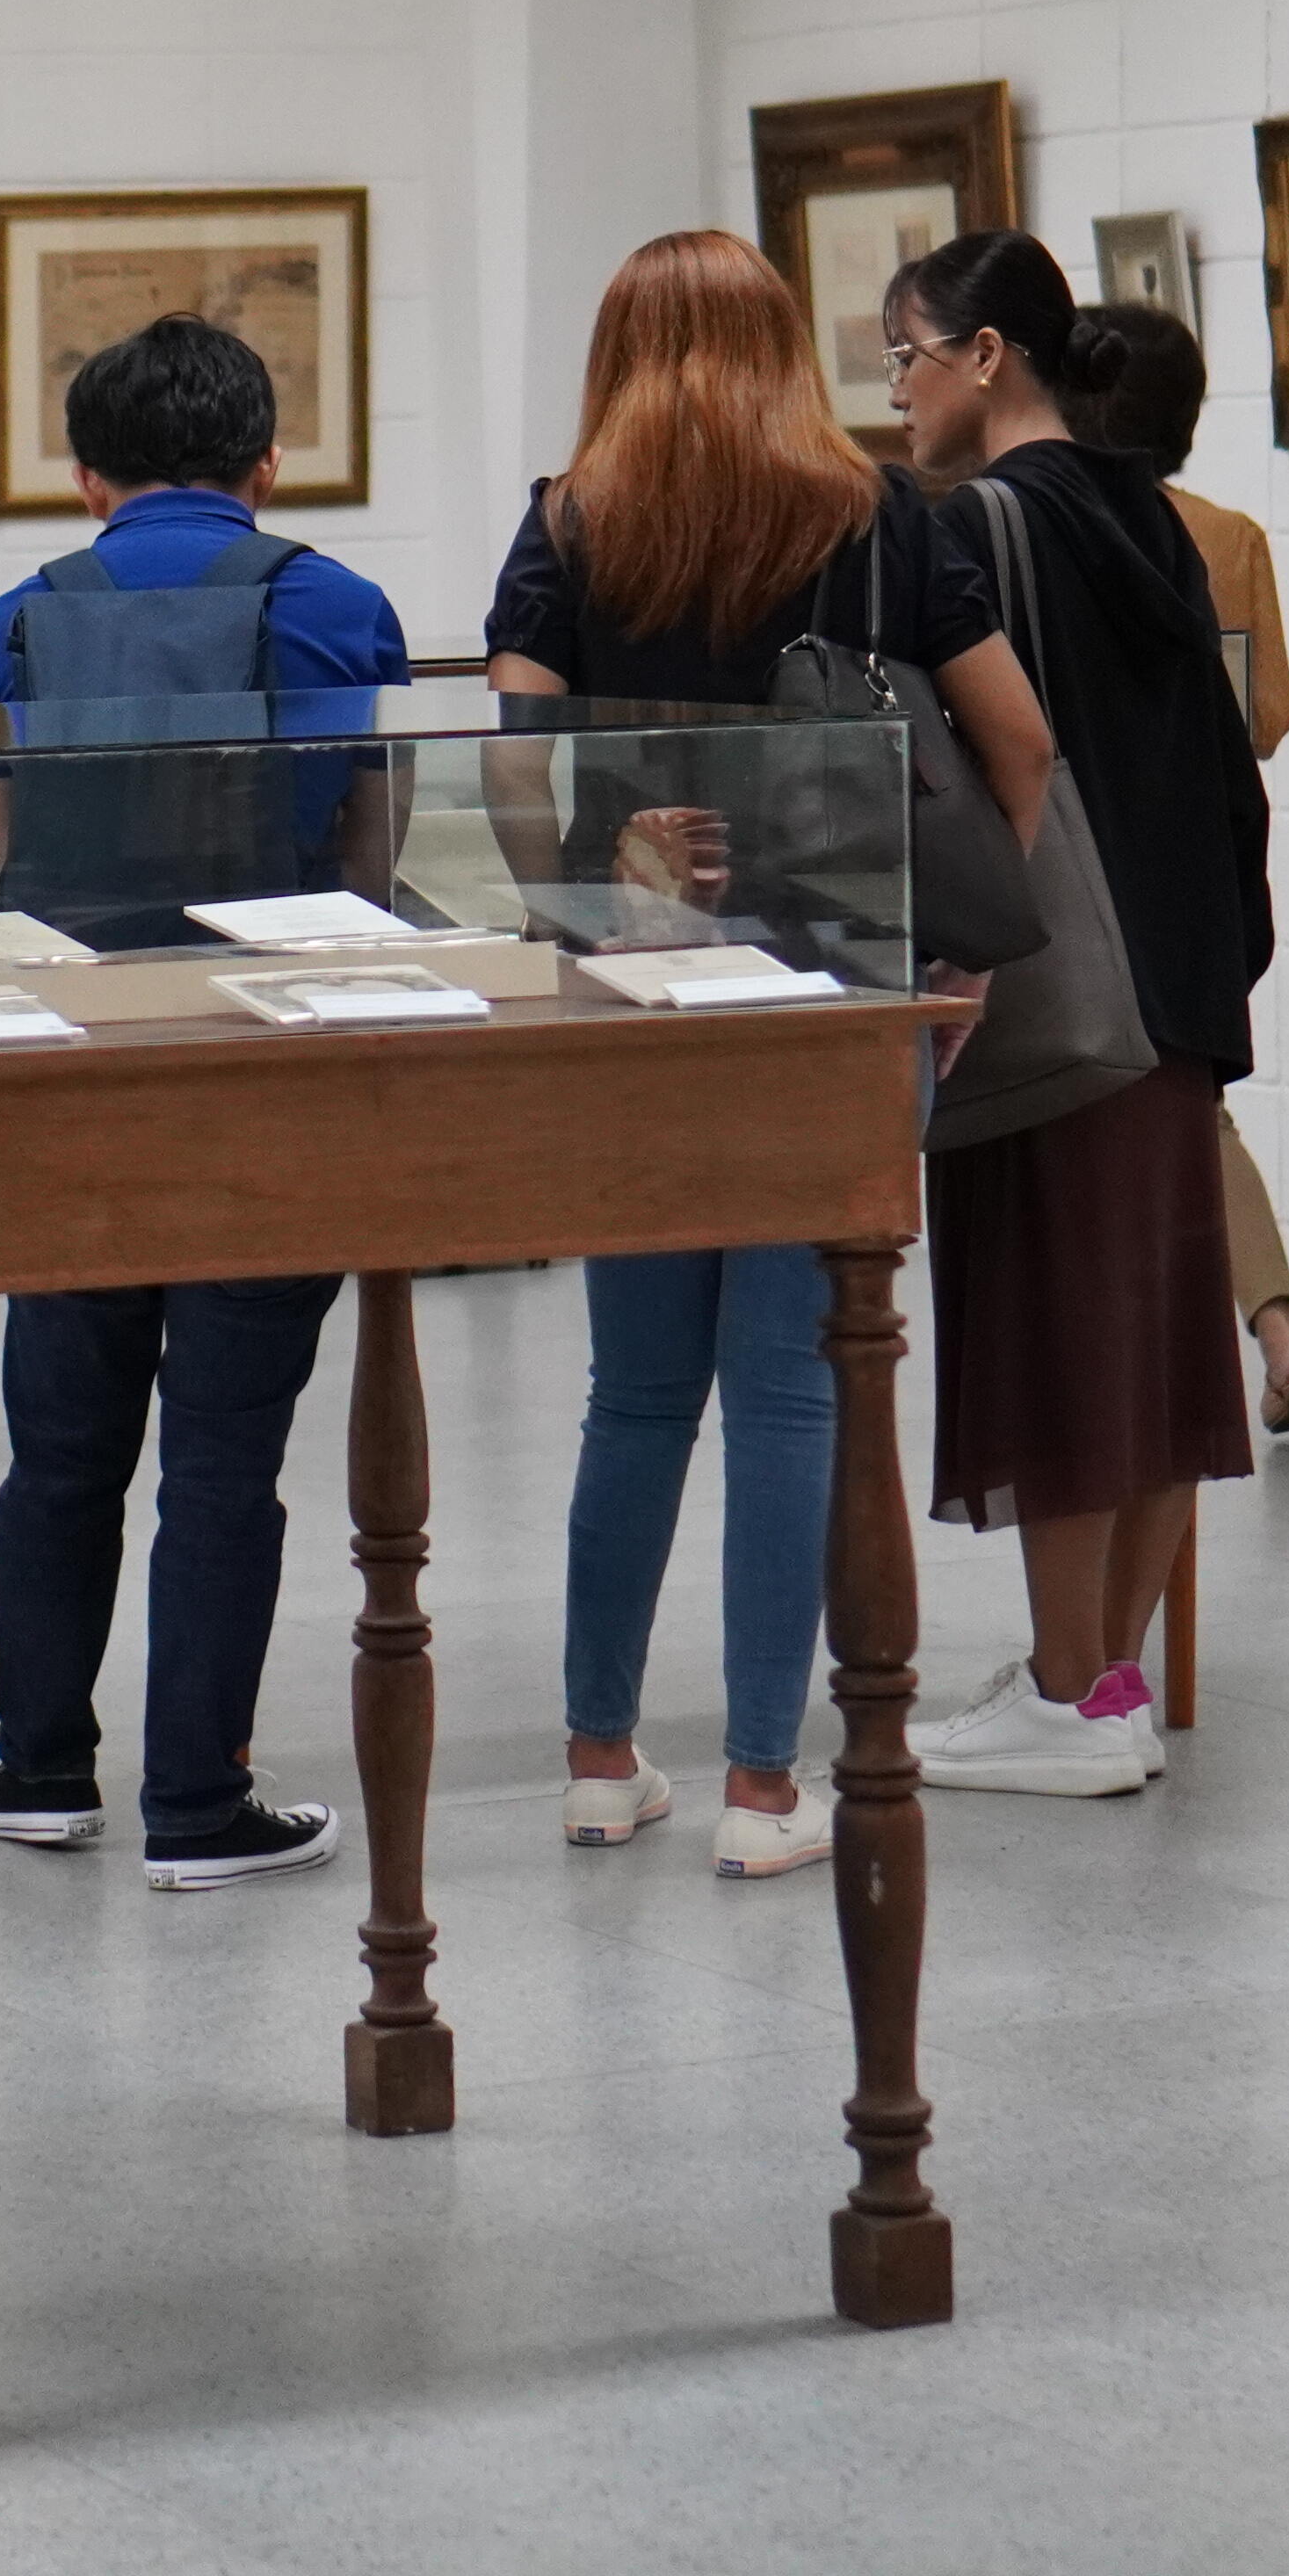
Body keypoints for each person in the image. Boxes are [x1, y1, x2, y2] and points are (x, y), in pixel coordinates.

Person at [485, 230, 1055, 1878]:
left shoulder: (568, 522)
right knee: (795, 1394)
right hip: (836, 988)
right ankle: (761, 1791)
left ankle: (601, 1760)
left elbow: (515, 765)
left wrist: (578, 905)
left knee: (637, 1391)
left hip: (638, 994)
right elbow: (1016, 738)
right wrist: (954, 922)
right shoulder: (880, 516)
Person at [0, 313, 413, 1890]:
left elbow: (2, 854)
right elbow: (362, 861)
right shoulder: (336, 608)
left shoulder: (17, 620)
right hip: (262, 1064)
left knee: (61, 1438)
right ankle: (200, 1804)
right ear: (265, 466)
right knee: (226, 1449)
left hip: (71, 1064)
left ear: (86, 481)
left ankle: (35, 1765)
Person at [882, 230, 1272, 1797]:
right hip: (1180, 976)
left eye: (909, 352)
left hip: (1055, 978)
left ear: (989, 357)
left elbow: (1005, 760)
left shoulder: (973, 526)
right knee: (1167, 1353)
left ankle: (1065, 1695)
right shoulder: (1153, 513)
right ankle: (1101, 1681)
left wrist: (962, 959)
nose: (895, 390)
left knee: (1059, 1338)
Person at [1066, 300, 1289, 1431]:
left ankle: (1140, 1369)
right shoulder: (1227, 538)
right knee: (1194, 1105)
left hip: (1078, 858)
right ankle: (1277, 1327)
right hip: (1199, 864)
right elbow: (1265, 718)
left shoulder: (1043, 526)